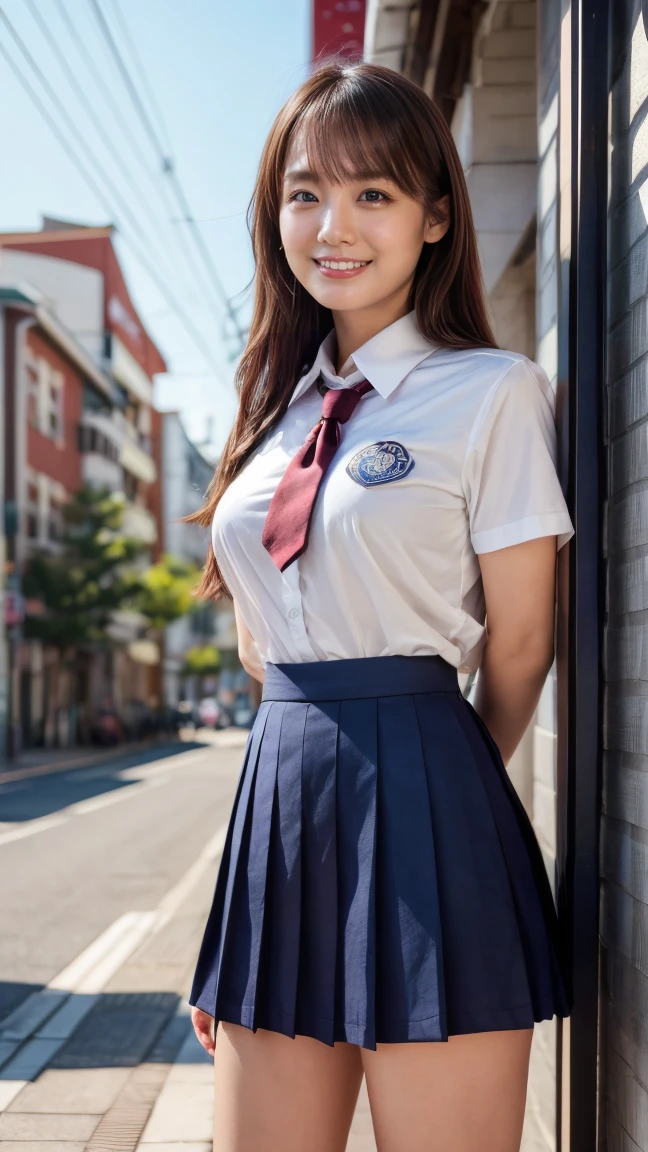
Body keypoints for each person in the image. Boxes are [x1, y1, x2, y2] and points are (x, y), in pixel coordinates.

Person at [188, 61, 574, 1152]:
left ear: (436, 216)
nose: (333, 225)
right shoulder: (271, 416)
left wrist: (435, 796)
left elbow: (526, 639)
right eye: (306, 192)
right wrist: (242, 900)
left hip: (433, 803)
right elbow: (265, 655)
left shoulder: (490, 392)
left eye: (374, 194)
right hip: (278, 808)